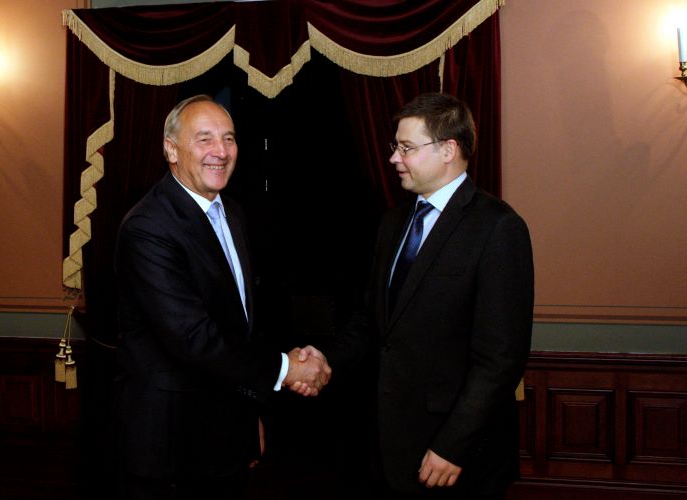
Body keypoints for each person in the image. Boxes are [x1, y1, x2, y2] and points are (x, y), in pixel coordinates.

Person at [298, 92, 534, 498]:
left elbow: (501, 359)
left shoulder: (498, 227)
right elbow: (373, 320)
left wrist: (453, 445)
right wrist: (326, 359)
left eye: (406, 148)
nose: (394, 158)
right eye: (395, 147)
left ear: (448, 150)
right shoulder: (393, 223)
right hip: (388, 441)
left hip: (456, 454)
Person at [112, 94, 331, 499]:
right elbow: (193, 339)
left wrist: (249, 418)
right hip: (171, 444)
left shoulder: (232, 213)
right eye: (205, 139)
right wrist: (286, 369)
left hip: (226, 433)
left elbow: (238, 329)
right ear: (170, 149)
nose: (221, 151)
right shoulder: (148, 227)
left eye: (229, 138)